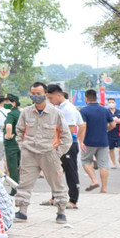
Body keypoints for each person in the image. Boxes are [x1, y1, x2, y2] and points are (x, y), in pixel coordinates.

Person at [14, 82, 70, 224]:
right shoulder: (26, 112)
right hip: (29, 153)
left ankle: (61, 212)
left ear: (45, 94)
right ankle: (22, 211)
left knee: (57, 184)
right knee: (24, 183)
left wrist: (57, 153)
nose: (36, 96)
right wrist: (23, 147)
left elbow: (66, 136)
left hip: (49, 153)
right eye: (33, 93)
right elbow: (19, 131)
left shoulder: (56, 113)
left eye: (39, 94)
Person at [43, 85, 83, 209]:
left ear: (58, 95)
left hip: (68, 145)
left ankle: (73, 200)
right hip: (58, 144)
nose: (50, 101)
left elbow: (71, 129)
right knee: (55, 172)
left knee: (71, 172)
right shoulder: (58, 107)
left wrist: (79, 141)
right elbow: (83, 125)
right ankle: (55, 197)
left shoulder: (68, 109)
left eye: (51, 98)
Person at [79, 89, 115, 193]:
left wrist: (81, 140)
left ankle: (94, 180)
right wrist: (106, 130)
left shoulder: (83, 111)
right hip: (103, 141)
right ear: (96, 98)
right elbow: (113, 124)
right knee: (103, 165)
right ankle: (104, 188)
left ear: (86, 98)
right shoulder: (105, 110)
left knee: (85, 160)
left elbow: (83, 126)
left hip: (89, 141)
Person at [2, 93, 21, 196]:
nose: (5, 103)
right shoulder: (19, 113)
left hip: (11, 145)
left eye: (7, 101)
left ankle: (14, 189)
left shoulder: (11, 114)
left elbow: (9, 126)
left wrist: (8, 135)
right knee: (19, 167)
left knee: (12, 167)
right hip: (19, 143)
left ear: (13, 103)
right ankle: (20, 187)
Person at [107, 98, 120, 167]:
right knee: (111, 148)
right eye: (109, 102)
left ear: (115, 103)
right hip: (109, 132)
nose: (111, 103)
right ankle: (114, 163)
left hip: (119, 132)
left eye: (112, 102)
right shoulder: (106, 112)